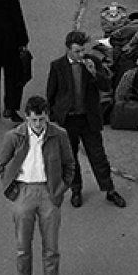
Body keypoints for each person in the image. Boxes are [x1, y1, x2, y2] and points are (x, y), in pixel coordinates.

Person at [0, 95, 76, 275]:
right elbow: (2, 165)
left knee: (51, 245)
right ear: (27, 117)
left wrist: (61, 189)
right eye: (34, 120)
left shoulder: (59, 135)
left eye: (41, 119)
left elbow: (70, 164)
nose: (38, 124)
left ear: (47, 115)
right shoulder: (14, 137)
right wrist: (13, 190)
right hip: (23, 191)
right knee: (22, 245)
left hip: (49, 191)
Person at [46, 30, 127, 209]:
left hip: (89, 118)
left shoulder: (92, 62)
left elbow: (106, 86)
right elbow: (51, 93)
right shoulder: (58, 66)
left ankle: (109, 189)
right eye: (77, 51)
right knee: (70, 157)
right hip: (69, 120)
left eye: (83, 50)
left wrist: (94, 73)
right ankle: (76, 189)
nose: (81, 54)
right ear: (68, 49)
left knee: (98, 155)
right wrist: (54, 116)